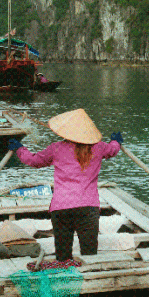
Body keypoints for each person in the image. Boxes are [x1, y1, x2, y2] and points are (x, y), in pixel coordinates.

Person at [8, 109, 122, 261]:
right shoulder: (99, 147)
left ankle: (64, 278)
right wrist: (116, 141)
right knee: (89, 255)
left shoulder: (56, 148)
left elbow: (34, 161)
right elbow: (112, 150)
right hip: (88, 208)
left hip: (61, 208)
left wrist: (20, 149)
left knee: (62, 255)